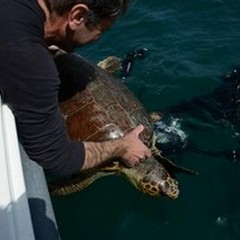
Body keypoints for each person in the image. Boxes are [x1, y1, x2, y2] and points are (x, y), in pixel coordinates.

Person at [0, 0, 151, 176]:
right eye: (101, 31)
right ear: (78, 16)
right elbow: (55, 157)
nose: (97, 38)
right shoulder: (32, 63)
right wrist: (122, 147)